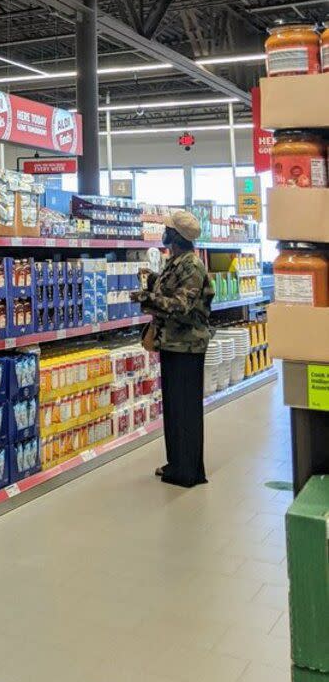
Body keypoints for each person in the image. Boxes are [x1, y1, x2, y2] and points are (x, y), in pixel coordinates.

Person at [132, 208, 214, 488]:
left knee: (186, 409)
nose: (163, 231)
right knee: (174, 407)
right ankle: (176, 463)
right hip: (173, 343)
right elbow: (171, 291)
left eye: (167, 228)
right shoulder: (176, 261)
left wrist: (146, 298)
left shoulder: (191, 265)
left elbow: (181, 305)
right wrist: (154, 280)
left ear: (176, 235)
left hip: (187, 346)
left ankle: (189, 471)